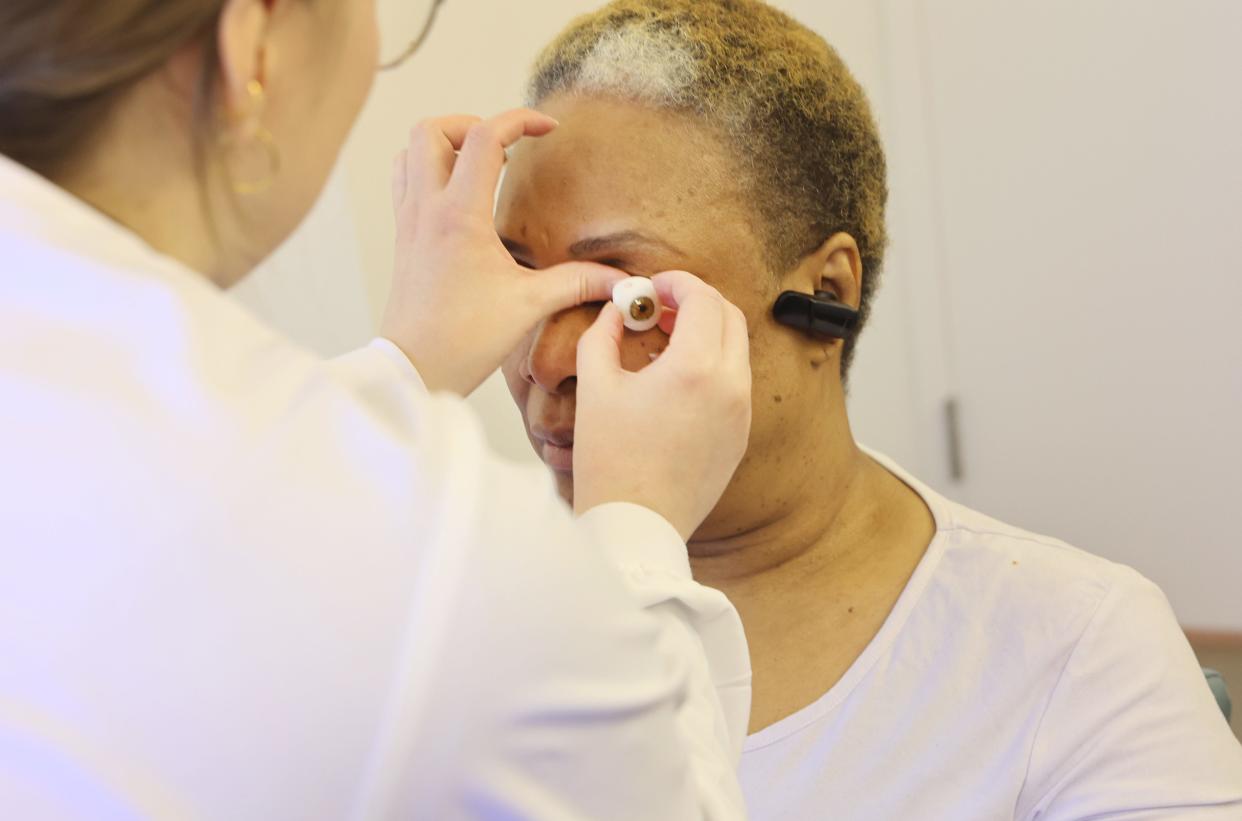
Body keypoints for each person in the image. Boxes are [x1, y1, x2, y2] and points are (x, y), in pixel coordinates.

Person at [0, 0, 757, 818]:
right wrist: (637, 532)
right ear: (251, 43)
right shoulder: (439, 562)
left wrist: (406, 364)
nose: (548, 365)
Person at [497, 0, 1242, 818]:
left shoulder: (1077, 649)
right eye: (514, 276)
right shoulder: (446, 607)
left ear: (825, 295)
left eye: (631, 299)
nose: (546, 359)